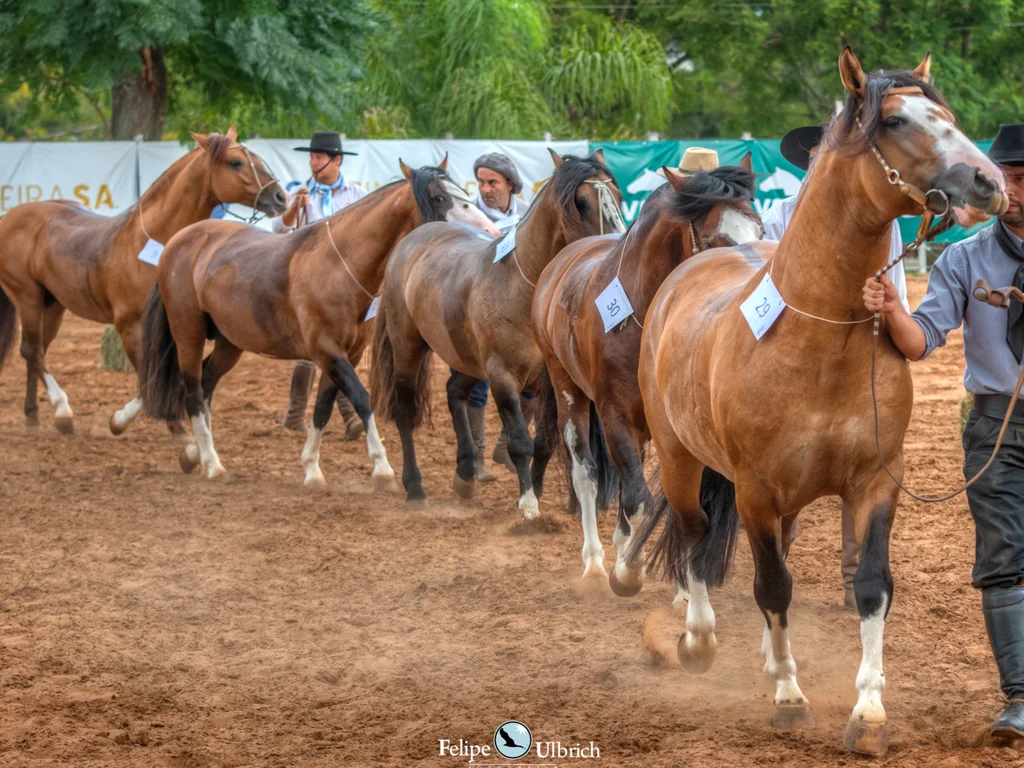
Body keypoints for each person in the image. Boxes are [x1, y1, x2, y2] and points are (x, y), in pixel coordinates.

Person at [863, 123, 1024, 739]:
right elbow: (920, 342)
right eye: (1009, 178)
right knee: (1003, 556)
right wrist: (892, 309)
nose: (1016, 189)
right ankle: (1020, 697)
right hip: (995, 428)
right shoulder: (963, 258)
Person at [768, 123, 909, 610]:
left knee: (866, 463)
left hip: (857, 357)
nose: (821, 166)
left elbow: (897, 294)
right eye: (815, 158)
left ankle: (854, 578)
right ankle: (778, 553)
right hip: (790, 359)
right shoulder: (779, 217)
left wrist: (892, 329)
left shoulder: (880, 224)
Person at [271, 131, 367, 439]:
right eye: (311, 157)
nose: (313, 163)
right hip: (310, 280)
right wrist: (292, 210)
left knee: (325, 348)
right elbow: (278, 229)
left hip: (344, 283)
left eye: (319, 157)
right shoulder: (299, 192)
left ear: (336, 160)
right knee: (321, 346)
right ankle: (346, 414)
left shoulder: (356, 195)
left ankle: (296, 414)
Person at [474, 153, 529, 234]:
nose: (485, 190)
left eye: (492, 182)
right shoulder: (467, 216)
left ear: (510, 185)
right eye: (481, 182)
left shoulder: (527, 212)